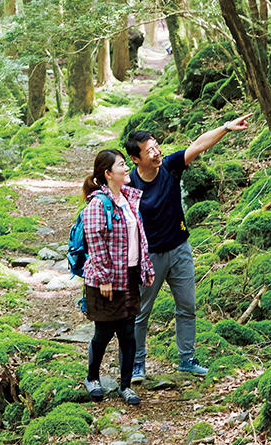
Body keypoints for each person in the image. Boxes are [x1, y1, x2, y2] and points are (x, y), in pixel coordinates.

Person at [125, 113, 252, 382]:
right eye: (149, 151)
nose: (157, 152)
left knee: (187, 305)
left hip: (180, 249)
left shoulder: (170, 166)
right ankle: (137, 364)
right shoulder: (129, 185)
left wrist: (227, 127)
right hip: (149, 257)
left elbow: (199, 145)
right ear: (135, 159)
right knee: (140, 312)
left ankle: (187, 359)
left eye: (156, 146)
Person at [81, 149, 155, 405]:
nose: (126, 169)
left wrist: (145, 268)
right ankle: (92, 378)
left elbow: (139, 238)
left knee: (128, 334)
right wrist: (103, 278)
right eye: (122, 165)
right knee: (103, 333)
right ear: (107, 173)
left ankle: (125, 386)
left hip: (130, 277)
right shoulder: (97, 204)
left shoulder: (128, 198)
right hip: (106, 282)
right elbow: (95, 242)